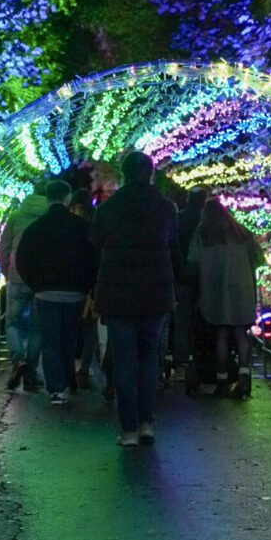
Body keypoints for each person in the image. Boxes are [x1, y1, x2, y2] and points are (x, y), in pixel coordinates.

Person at [89, 150, 181, 447]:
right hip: (155, 292)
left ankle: (128, 428)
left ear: (124, 173)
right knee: (148, 357)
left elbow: (96, 242)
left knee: (125, 360)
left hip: (117, 294)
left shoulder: (108, 209)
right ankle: (147, 423)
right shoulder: (165, 208)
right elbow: (171, 240)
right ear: (150, 172)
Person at [15, 179, 98, 405]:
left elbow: (22, 260)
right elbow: (94, 257)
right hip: (74, 293)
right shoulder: (81, 227)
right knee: (69, 339)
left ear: (48, 199)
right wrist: (86, 285)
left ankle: (56, 389)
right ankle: (68, 379)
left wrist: (36, 285)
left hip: (45, 293)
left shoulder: (35, 228)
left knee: (50, 340)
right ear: (67, 198)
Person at [187, 197, 264, 398]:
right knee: (241, 332)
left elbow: (193, 261)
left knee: (220, 332)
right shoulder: (242, 233)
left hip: (215, 288)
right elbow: (259, 258)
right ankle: (244, 378)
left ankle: (221, 380)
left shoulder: (204, 234)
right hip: (242, 287)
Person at [0, 178, 47, 391]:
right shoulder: (48, 217)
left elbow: (3, 248)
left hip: (16, 275)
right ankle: (31, 374)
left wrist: (6, 270)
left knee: (12, 323)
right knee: (37, 327)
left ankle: (18, 360)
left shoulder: (15, 217)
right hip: (40, 278)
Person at [173, 186, 208, 370]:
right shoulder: (208, 221)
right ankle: (202, 356)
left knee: (182, 316)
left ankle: (181, 356)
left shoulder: (179, 218)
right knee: (204, 316)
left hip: (183, 273)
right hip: (206, 275)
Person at [69, 187, 98, 389]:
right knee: (90, 330)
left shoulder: (66, 223)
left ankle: (69, 370)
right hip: (91, 282)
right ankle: (84, 370)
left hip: (69, 281)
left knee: (70, 330)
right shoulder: (95, 220)